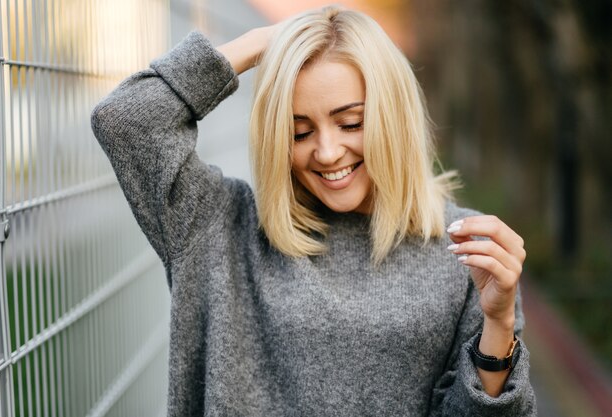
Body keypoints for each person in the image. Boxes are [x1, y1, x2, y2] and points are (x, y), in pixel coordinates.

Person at [91, 6, 536, 416]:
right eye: (299, 131)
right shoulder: (222, 228)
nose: (326, 152)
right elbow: (127, 119)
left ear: (392, 114)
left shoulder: (466, 253)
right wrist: (264, 41)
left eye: (351, 123)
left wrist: (497, 323)